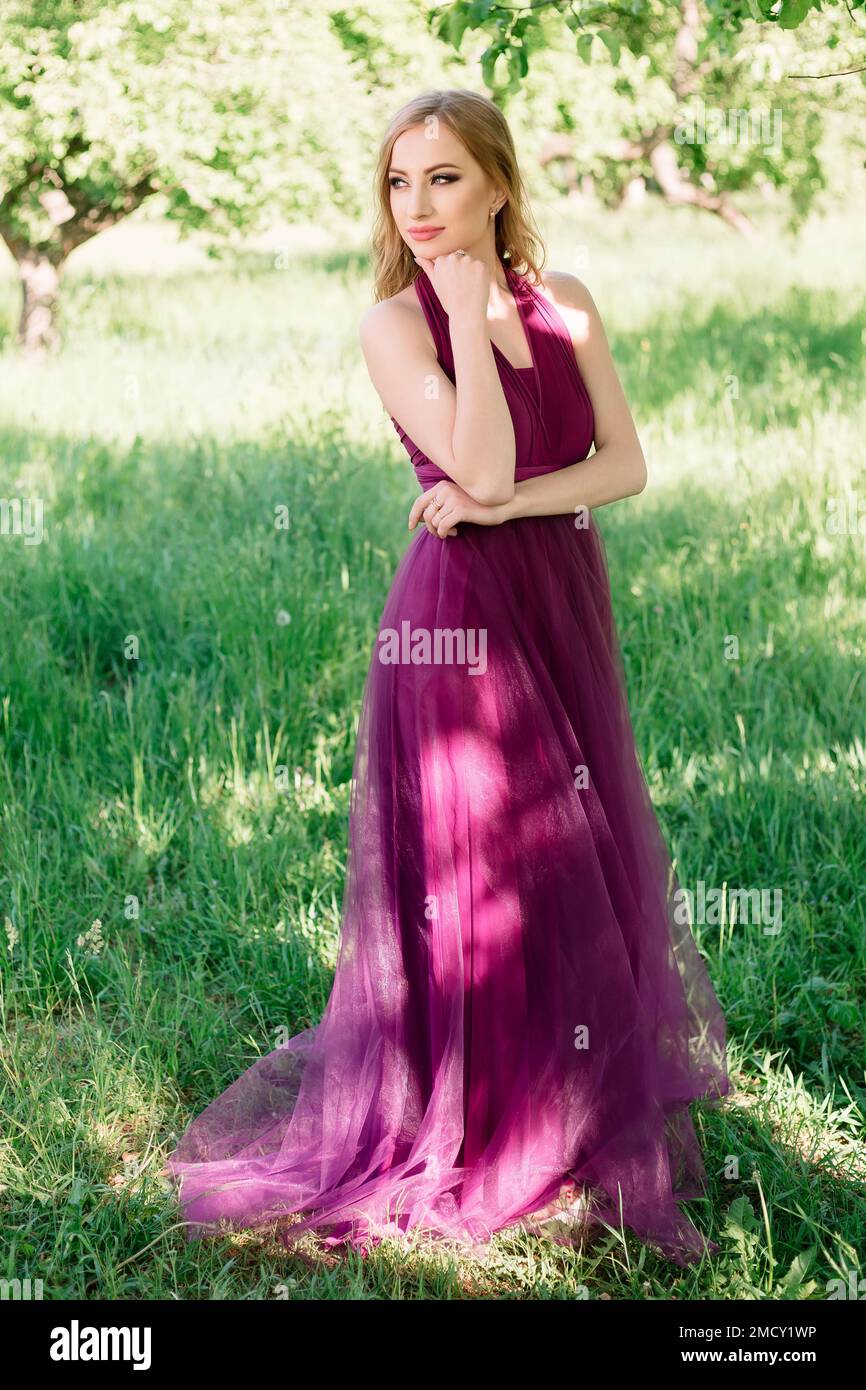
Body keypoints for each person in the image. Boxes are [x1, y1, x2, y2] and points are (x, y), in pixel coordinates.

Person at [165, 88, 730, 1268]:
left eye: (444, 180)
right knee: (485, 871)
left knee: (570, 847)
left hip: (556, 591)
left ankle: (567, 1103)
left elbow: (618, 464)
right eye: (397, 182)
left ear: (498, 183)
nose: (416, 207)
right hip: (456, 627)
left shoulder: (565, 302)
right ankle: (485, 1127)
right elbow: (467, 456)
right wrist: (467, 322)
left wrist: (516, 500)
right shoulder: (393, 325)